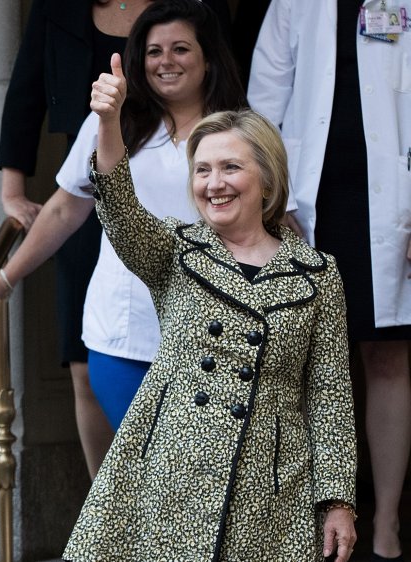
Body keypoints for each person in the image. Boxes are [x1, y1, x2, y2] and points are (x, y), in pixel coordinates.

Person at [61, 51, 357, 558]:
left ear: (266, 177)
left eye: (230, 167)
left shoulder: (318, 273)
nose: (213, 183)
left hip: (273, 489)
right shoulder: (177, 250)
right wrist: (108, 123)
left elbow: (330, 398)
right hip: (174, 473)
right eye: (201, 170)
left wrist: (337, 502)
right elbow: (119, 207)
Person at [0, 0, 231, 477]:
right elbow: (65, 208)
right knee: (150, 474)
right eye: (153, 51)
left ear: (208, 58)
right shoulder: (112, 124)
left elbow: (272, 223)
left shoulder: (241, 130)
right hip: (124, 337)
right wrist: (7, 276)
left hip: (212, 337)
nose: (166, 61)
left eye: (181, 49)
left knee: (192, 478)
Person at [248, 2, 411, 559]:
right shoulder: (294, 4)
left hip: (391, 204)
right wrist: (277, 197)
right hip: (309, 204)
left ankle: (386, 521)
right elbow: (264, 102)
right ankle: (309, 517)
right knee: (305, 361)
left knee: (387, 356)